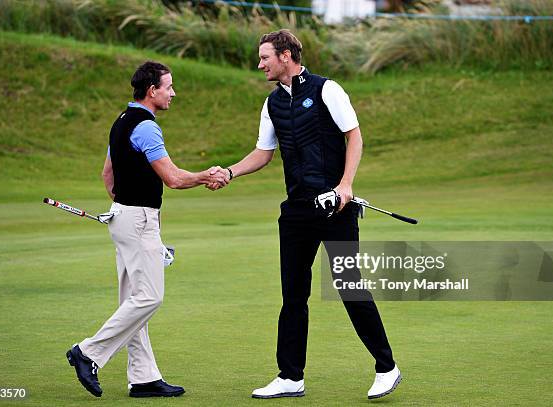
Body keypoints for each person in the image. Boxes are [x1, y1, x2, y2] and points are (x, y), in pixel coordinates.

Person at [208, 30, 401, 400]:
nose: (260, 64)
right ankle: (290, 376)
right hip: (296, 210)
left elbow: (355, 137)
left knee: (349, 286)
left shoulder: (327, 89)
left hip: (335, 207)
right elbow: (263, 153)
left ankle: (387, 367)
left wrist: (346, 185)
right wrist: (229, 172)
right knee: (293, 295)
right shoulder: (272, 104)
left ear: (285, 55)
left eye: (265, 57)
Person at [66, 61, 227, 398]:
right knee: (149, 297)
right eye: (168, 86)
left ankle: (142, 377)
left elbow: (107, 175)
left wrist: (124, 206)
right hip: (137, 221)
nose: (173, 92)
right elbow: (173, 178)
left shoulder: (120, 121)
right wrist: (206, 175)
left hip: (122, 217)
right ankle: (89, 352)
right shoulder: (146, 127)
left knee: (133, 299)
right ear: (152, 90)